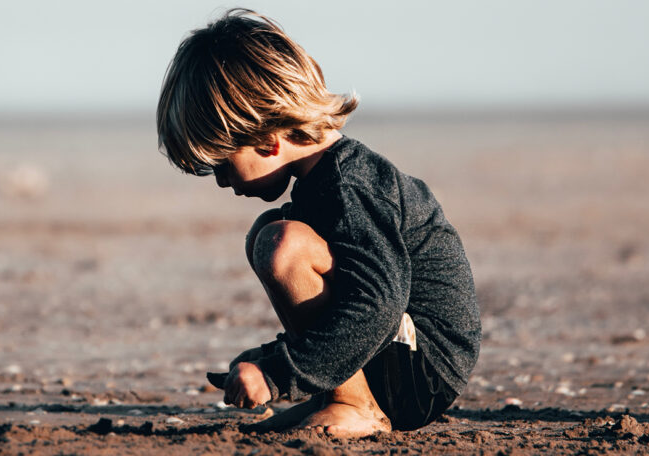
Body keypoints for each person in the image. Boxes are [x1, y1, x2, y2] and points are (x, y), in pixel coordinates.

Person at [156, 9, 481, 437]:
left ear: (268, 141)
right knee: (268, 233)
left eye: (222, 162)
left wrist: (277, 371)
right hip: (395, 351)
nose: (220, 180)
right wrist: (273, 356)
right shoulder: (321, 183)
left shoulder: (349, 186)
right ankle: (339, 397)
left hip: (424, 368)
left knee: (282, 245)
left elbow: (378, 302)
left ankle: (354, 404)